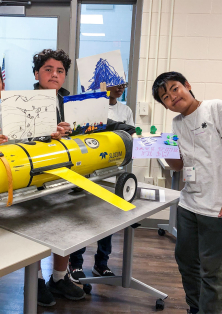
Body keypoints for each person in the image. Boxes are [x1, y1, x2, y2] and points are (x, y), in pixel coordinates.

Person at [152, 71, 222, 314]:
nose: (172, 97)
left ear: (187, 85)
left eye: (174, 88)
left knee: (213, 273)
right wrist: (160, 147)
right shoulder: (177, 124)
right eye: (165, 97)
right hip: (189, 204)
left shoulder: (216, 108)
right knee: (186, 262)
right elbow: (179, 165)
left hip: (220, 207)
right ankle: (195, 308)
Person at [32, 49, 86, 306]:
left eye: (60, 71)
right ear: (36, 73)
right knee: (33, 229)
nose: (54, 74)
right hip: (36, 175)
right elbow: (18, 141)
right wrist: (46, 135)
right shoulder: (24, 101)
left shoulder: (72, 102)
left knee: (65, 225)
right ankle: (35, 283)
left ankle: (59, 277)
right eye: (48, 69)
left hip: (67, 172)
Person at [68, 82, 135, 282]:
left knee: (108, 221)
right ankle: (76, 263)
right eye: (116, 84)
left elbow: (129, 134)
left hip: (112, 171)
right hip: (87, 171)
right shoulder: (89, 107)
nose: (120, 88)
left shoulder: (124, 110)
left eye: (123, 84)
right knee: (80, 219)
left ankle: (101, 263)